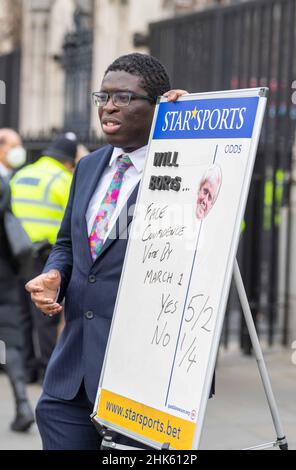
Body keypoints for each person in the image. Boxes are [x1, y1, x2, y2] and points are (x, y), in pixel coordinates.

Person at [25, 53, 187, 450]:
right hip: (71, 378)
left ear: (157, 105)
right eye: (103, 96)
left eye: (124, 98)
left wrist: (188, 133)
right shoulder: (89, 166)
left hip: (142, 380)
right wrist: (56, 276)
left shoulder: (182, 168)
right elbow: (67, 242)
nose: (109, 106)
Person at [10, 132, 79, 384]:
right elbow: (73, 222)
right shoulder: (65, 179)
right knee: (45, 315)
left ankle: (26, 370)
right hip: (45, 256)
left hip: (16, 255)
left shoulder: (22, 174)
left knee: (21, 315)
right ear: (69, 161)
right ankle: (47, 372)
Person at [0, 133, 34, 431]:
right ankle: (23, 402)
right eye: (13, 145)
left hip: (6, 275)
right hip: (5, 273)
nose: (18, 150)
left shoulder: (8, 180)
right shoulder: (3, 182)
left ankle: (23, 405)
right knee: (10, 336)